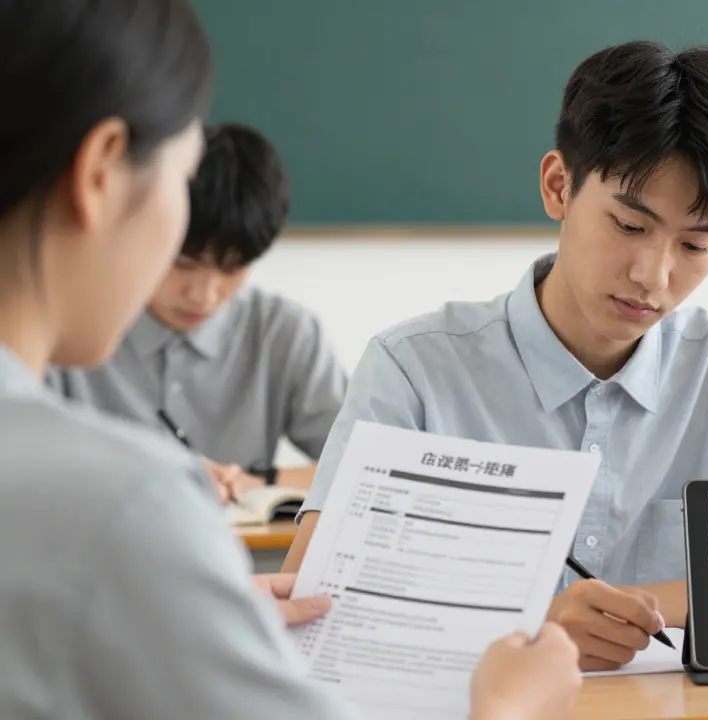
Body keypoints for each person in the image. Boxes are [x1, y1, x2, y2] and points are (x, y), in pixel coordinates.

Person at [0, 1, 580, 719]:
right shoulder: (127, 503)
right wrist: (508, 709)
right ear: (101, 173)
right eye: (182, 177)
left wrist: (191, 609)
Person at [283, 40, 708, 670]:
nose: (653, 275)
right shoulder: (415, 369)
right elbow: (312, 605)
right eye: (629, 226)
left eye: (696, 246)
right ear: (558, 187)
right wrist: (532, 628)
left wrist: (639, 606)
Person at [47, 122, 347, 503]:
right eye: (184, 265)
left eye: (232, 269)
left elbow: (367, 463)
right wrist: (156, 475)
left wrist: (256, 480)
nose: (203, 295)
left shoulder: (283, 332)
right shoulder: (70, 323)